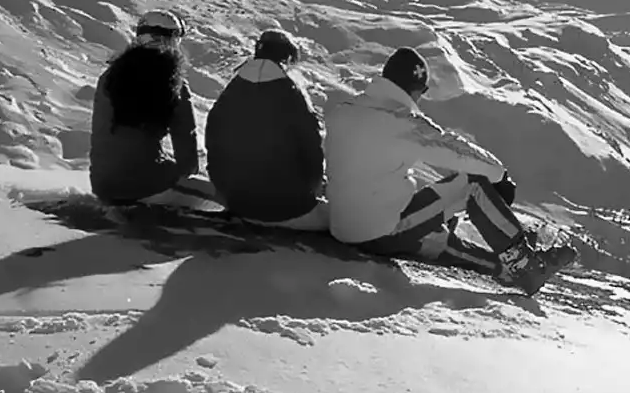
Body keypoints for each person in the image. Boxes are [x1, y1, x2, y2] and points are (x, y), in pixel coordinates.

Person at [324, 46, 577, 294]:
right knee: (472, 186)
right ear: (416, 88)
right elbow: (454, 150)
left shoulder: (344, 109)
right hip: (379, 232)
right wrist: (499, 175)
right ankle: (525, 263)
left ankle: (505, 263)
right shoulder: (403, 122)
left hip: (343, 226)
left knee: (434, 235)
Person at [203, 28, 330, 230]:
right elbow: (312, 148)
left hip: (236, 202)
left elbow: (213, 139)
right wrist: (314, 187)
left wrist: (223, 187)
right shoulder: (291, 94)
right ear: (287, 57)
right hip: (287, 208)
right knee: (345, 219)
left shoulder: (232, 90)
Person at [88, 10, 216, 208]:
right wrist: (185, 172)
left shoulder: (109, 77)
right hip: (146, 184)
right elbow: (185, 138)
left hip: (102, 183)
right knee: (217, 196)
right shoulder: (172, 82)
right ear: (171, 40)